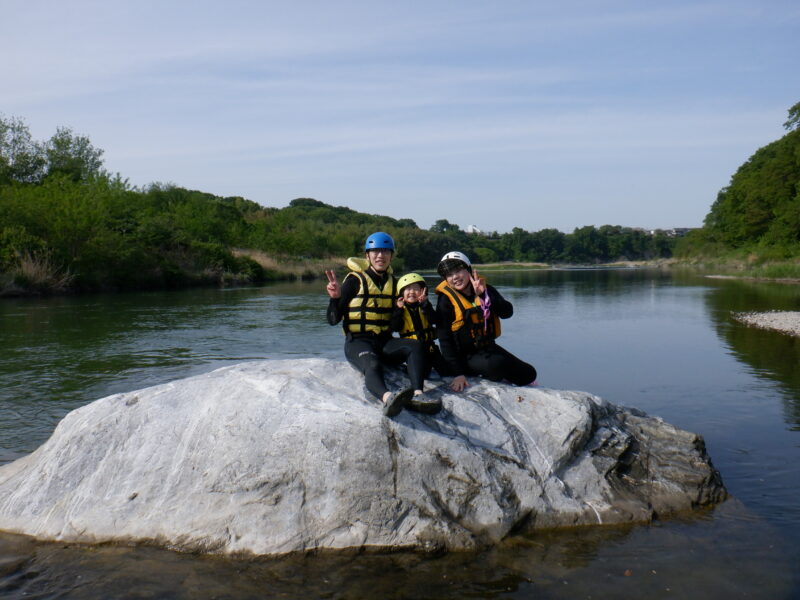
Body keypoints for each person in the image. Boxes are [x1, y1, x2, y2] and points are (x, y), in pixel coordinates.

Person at [325, 232, 425, 417]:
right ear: (367, 256)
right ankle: (388, 399)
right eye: (376, 251)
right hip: (358, 342)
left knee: (416, 346)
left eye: (386, 251)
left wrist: (400, 309)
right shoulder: (355, 280)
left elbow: (396, 327)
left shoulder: (395, 284)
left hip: (384, 342)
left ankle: (418, 394)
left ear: (391, 256)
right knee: (372, 364)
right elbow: (333, 320)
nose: (381, 256)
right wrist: (335, 299)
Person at [435, 251, 537, 392]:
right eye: (449, 275)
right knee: (496, 364)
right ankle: (486, 374)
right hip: (464, 356)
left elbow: (507, 313)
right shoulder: (445, 301)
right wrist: (457, 374)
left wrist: (483, 295)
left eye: (458, 271)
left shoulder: (485, 289)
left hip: (488, 347)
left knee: (529, 374)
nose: (455, 277)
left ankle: (499, 373)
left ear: (469, 270)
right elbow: (444, 339)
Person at [389, 273, 450, 413]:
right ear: (401, 293)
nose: (411, 292)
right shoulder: (400, 309)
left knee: (446, 371)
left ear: (423, 291)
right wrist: (398, 310)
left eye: (416, 288)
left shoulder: (425, 306)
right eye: (407, 289)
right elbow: (395, 327)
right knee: (423, 372)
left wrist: (425, 305)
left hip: (430, 348)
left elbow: (434, 320)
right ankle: (414, 381)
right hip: (414, 350)